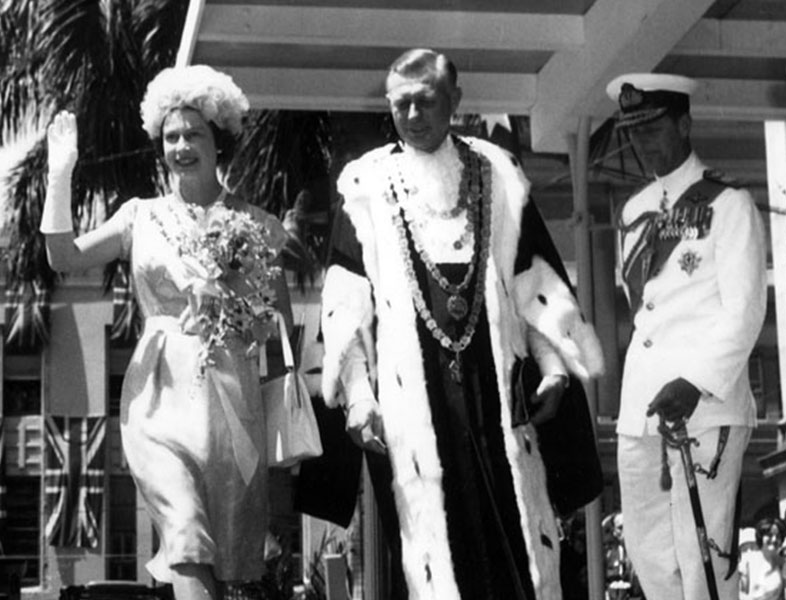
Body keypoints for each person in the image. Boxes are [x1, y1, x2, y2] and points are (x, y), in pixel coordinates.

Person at [320, 48, 604, 599]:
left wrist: (553, 368)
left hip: (494, 391)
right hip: (412, 403)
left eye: (424, 101)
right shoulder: (365, 187)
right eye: (399, 104)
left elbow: (534, 278)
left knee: (514, 552)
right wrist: (358, 396)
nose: (412, 115)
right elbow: (346, 305)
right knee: (432, 557)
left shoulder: (498, 174)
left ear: (455, 100)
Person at [40, 65, 292, 600]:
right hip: (157, 397)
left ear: (218, 141)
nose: (180, 146)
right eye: (170, 136)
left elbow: (280, 334)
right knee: (184, 531)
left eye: (193, 133)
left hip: (232, 405)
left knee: (227, 567)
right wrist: (59, 177)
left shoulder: (261, 226)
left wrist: (237, 304)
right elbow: (63, 257)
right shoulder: (140, 217)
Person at [608, 72, 768, 600]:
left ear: (684, 123)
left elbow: (744, 313)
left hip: (703, 405)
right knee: (650, 558)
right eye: (634, 131)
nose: (641, 141)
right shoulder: (632, 213)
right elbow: (642, 315)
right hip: (643, 408)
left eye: (653, 128)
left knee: (703, 555)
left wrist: (694, 382)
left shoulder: (729, 206)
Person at [739, 518, 786, 600]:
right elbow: (738, 593)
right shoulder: (749, 561)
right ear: (761, 537)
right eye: (770, 535)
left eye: (778, 536)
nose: (774, 539)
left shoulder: (783, 563)